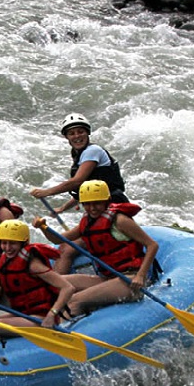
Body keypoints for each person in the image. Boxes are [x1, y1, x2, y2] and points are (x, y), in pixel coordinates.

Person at [34, 180, 158, 318]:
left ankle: (64, 332)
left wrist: (141, 275)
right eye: (87, 204)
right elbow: (58, 239)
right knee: (56, 283)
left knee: (73, 300)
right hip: (107, 278)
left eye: (97, 203)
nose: (92, 208)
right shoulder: (87, 221)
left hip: (130, 280)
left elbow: (152, 245)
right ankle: (38, 320)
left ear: (107, 201)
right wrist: (43, 228)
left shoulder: (120, 220)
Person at [30, 113, 129, 273]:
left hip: (112, 209)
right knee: (65, 245)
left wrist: (46, 192)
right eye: (72, 133)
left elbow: (78, 180)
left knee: (66, 249)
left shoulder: (93, 151)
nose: (77, 136)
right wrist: (63, 208)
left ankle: (58, 288)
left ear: (87, 133)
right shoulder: (80, 155)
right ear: (67, 137)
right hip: (99, 208)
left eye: (80, 131)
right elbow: (85, 190)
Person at [0, 219, 76, 329]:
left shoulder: (33, 265)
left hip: (41, 316)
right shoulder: (6, 259)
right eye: (4, 243)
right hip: (23, 312)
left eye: (12, 243)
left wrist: (52, 313)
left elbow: (68, 288)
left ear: (23, 243)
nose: (7, 248)